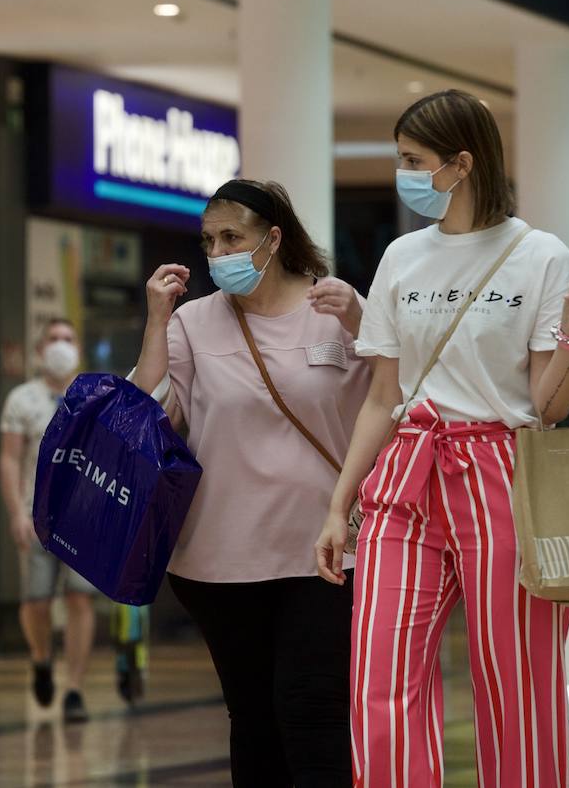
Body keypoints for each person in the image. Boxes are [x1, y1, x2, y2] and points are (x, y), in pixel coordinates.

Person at [315, 89, 569, 787]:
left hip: (501, 472)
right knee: (377, 678)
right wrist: (338, 505)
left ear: (462, 163)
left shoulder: (539, 255)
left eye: (414, 161)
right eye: (401, 160)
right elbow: (383, 397)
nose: (404, 173)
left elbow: (547, 407)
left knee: (518, 685)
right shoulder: (401, 257)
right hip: (407, 470)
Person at [132, 179, 372, 787]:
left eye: (231, 237)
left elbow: (391, 408)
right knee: (254, 718)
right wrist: (157, 321)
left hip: (323, 550)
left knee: (315, 709)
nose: (218, 253)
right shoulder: (193, 322)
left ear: (272, 238)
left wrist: (366, 325)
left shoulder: (337, 309)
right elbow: (146, 416)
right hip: (216, 559)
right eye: (209, 241)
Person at [0, 318, 97, 723]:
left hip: (84, 518)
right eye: (53, 340)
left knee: (79, 598)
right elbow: (9, 458)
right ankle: (41, 657)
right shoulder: (22, 399)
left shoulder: (95, 395)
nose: (60, 346)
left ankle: (74, 688)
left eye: (68, 339)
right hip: (38, 515)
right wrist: (16, 514)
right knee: (36, 600)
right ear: (40, 351)